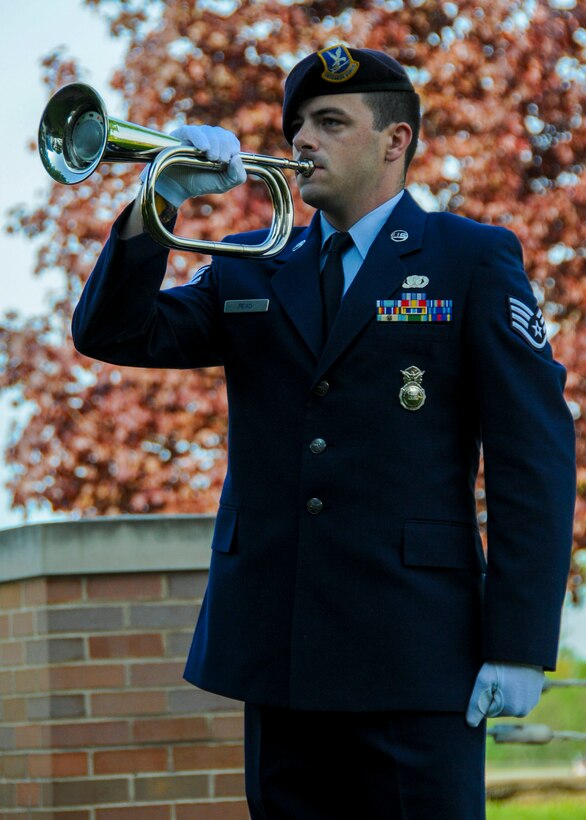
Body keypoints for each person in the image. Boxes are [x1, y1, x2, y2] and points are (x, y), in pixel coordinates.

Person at [72, 45, 576, 820]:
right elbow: (113, 332)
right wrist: (159, 201)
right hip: (279, 654)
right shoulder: (249, 263)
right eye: (298, 123)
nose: (302, 140)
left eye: (331, 122)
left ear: (395, 140)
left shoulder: (471, 258)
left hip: (417, 653)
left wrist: (519, 640)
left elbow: (532, 455)